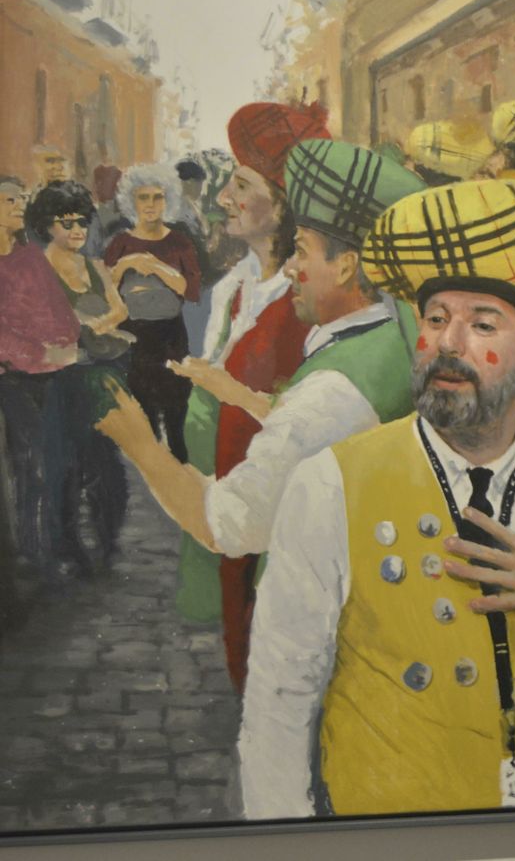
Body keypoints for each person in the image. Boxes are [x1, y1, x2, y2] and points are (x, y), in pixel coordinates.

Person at [239, 179, 515, 817]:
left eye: (482, 325)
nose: (449, 344)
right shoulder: (332, 482)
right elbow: (280, 697)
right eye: (436, 319)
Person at [98, 139, 425, 687]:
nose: (292, 266)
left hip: (326, 636)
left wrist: (140, 445)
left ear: (346, 265)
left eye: (302, 250)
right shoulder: (392, 333)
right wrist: (238, 394)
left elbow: (229, 522)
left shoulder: (333, 389)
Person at [169, 102, 321, 679]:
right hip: (232, 499)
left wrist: (223, 389)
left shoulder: (306, 301)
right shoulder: (236, 287)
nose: (224, 198)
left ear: (282, 204)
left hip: (281, 513)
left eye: (241, 184)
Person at [24, 180, 133, 573]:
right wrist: (77, 326)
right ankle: (67, 546)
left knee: (108, 463)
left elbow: (120, 310)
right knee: (64, 466)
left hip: (102, 373)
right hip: (60, 378)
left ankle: (108, 539)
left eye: (82, 222)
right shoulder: (37, 269)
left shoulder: (95, 266)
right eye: (66, 222)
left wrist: (101, 322)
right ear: (46, 225)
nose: (76, 230)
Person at [0, 175, 80, 618]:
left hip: (49, 375)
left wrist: (64, 343)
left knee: (56, 463)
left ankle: (45, 552)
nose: (18, 205)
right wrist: (36, 352)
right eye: (10, 199)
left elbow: (59, 310)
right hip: (11, 379)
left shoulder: (31, 257)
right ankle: (33, 560)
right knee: (30, 465)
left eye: (21, 198)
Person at [104, 162, 201, 462]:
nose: (150, 204)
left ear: (168, 199)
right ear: (131, 201)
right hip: (134, 337)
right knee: (144, 416)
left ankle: (181, 478)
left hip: (170, 335)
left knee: (175, 413)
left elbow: (192, 291)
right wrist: (124, 265)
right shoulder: (119, 243)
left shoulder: (180, 242)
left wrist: (157, 267)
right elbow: (106, 291)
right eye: (143, 198)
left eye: (157, 197)